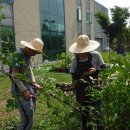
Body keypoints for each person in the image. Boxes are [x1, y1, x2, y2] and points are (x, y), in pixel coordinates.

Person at [69, 35, 106, 130]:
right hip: (81, 89)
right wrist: (77, 81)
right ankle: (85, 127)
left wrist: (96, 70)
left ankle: (99, 127)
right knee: (84, 110)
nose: (82, 52)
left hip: (95, 88)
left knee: (97, 110)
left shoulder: (96, 55)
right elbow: (73, 73)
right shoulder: (75, 59)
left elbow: (104, 68)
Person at [9, 38, 44, 130]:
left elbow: (29, 69)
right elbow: (15, 75)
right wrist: (24, 91)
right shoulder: (17, 56)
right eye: (35, 52)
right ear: (29, 48)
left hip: (30, 88)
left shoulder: (27, 56)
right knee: (27, 119)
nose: (35, 54)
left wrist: (34, 82)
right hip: (21, 92)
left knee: (31, 116)